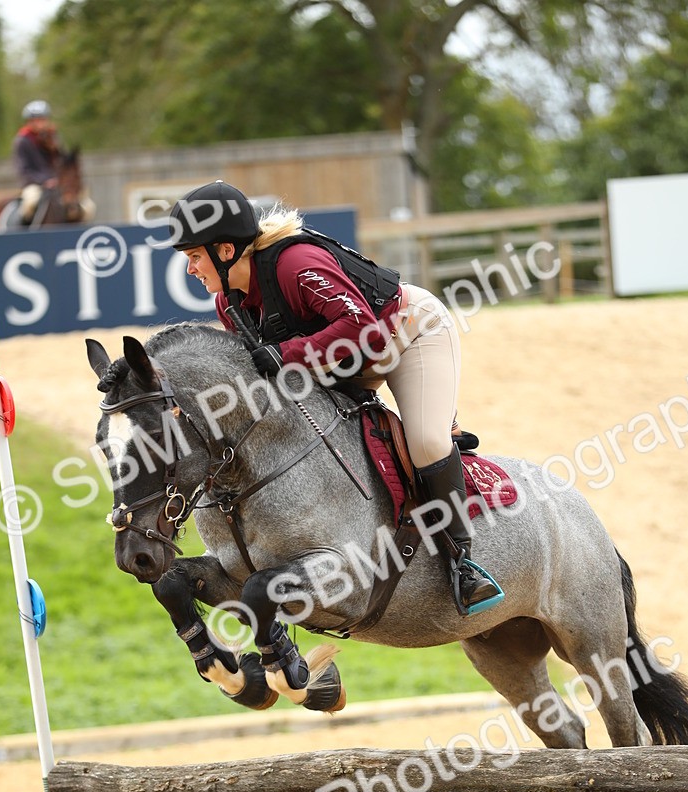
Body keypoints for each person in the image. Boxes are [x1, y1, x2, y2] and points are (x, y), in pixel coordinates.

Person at [168, 179, 503, 615]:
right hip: (341, 361)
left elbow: (362, 329)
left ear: (225, 251)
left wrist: (285, 353)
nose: (191, 269)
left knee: (426, 442)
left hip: (404, 333)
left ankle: (463, 563)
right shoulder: (229, 304)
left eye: (195, 256)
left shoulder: (294, 263)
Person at [12, 100, 62, 224]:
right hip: (34, 184)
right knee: (30, 203)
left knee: (85, 206)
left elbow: (62, 162)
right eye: (34, 120)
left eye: (42, 119)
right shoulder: (22, 141)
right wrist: (44, 181)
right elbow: (23, 169)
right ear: (28, 122)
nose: (39, 123)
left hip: (57, 183)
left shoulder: (53, 138)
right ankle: (25, 234)